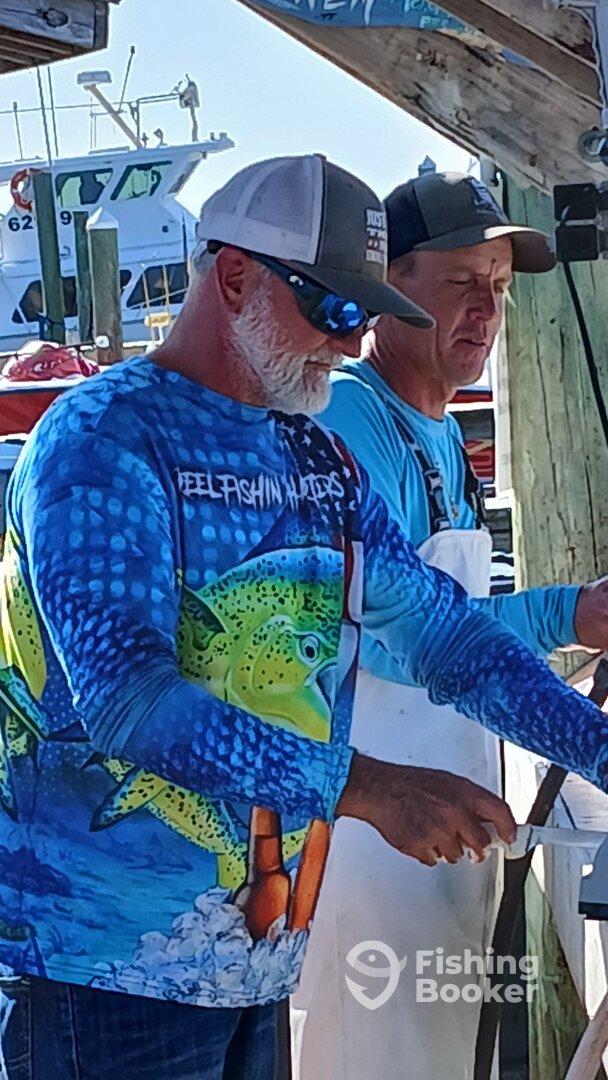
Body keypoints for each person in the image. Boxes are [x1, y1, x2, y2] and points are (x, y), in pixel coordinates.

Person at [0, 156, 607, 1080]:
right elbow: (128, 699)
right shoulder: (101, 438)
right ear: (236, 274)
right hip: (102, 962)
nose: (354, 339)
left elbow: (450, 642)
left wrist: (600, 749)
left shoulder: (316, 455)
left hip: (260, 949)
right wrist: (370, 788)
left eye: (369, 312)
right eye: (333, 308)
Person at [293, 171, 608, 1080]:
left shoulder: (436, 429)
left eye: (500, 289)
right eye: (463, 284)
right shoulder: (352, 420)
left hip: (450, 822)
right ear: (391, 286)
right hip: (372, 838)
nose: (487, 311)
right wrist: (566, 612)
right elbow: (400, 643)